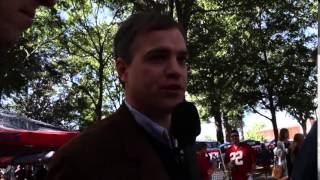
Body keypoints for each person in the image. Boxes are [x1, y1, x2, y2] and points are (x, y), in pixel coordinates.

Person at [46, 11, 200, 180]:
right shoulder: (80, 159)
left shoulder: (186, 143)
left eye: (181, 59)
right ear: (123, 70)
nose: (175, 70)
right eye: (158, 58)